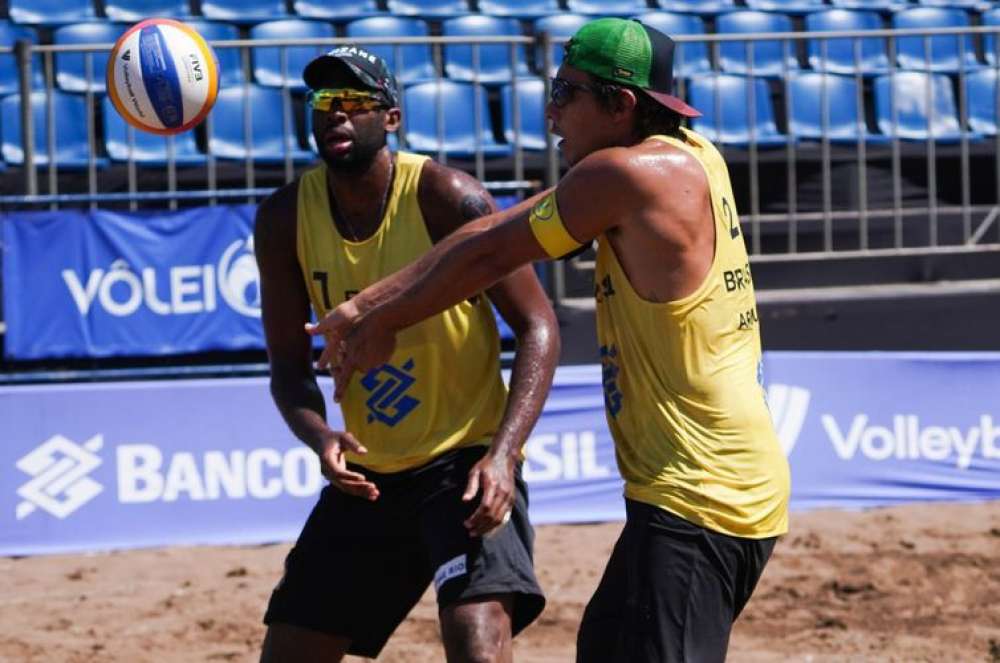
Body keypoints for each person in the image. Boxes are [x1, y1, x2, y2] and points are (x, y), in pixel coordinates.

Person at [308, 19, 791, 663]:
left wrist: (383, 320)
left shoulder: (626, 176)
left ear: (620, 106)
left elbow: (488, 256)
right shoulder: (685, 154)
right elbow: (494, 230)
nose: (550, 111)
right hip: (695, 490)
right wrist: (368, 303)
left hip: (699, 497)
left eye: (567, 93)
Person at [254, 45, 560, 663]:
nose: (335, 116)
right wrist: (321, 439)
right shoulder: (284, 217)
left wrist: (503, 456)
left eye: (353, 103)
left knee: (477, 641)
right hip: (369, 476)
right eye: (322, 103)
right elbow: (288, 368)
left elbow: (539, 327)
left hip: (462, 463)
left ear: (390, 117)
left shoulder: (447, 196)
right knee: (288, 651)